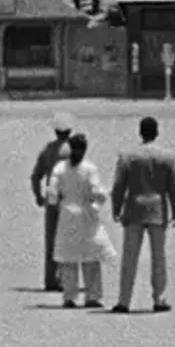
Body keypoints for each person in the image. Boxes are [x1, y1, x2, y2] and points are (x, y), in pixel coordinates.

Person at [110, 116, 175, 313]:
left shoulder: (127, 156)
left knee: (129, 258)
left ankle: (124, 300)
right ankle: (160, 299)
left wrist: (116, 207)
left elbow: (119, 185)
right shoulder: (167, 157)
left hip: (134, 208)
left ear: (140, 132)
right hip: (157, 210)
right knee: (159, 257)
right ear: (156, 132)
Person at [47, 132, 115, 308]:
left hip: (67, 213)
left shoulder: (59, 168)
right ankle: (92, 296)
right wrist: (101, 198)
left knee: (68, 257)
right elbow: (96, 192)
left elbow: (52, 194)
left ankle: (69, 297)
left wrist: (57, 203)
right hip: (85, 212)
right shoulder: (90, 169)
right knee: (90, 256)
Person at [30, 113, 74, 291]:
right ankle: (66, 278)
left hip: (52, 197)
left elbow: (36, 176)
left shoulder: (48, 150)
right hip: (70, 197)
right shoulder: (74, 150)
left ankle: (50, 279)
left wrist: (38, 196)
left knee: (51, 240)